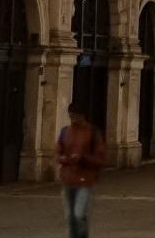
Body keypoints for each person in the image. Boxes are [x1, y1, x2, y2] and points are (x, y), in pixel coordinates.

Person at [56, 102, 106, 238]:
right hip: (68, 179)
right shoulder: (65, 131)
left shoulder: (93, 132)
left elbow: (100, 158)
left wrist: (83, 158)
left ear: (81, 115)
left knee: (79, 214)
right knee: (70, 217)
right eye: (70, 117)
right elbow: (58, 151)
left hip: (85, 180)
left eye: (74, 116)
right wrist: (63, 159)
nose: (72, 120)